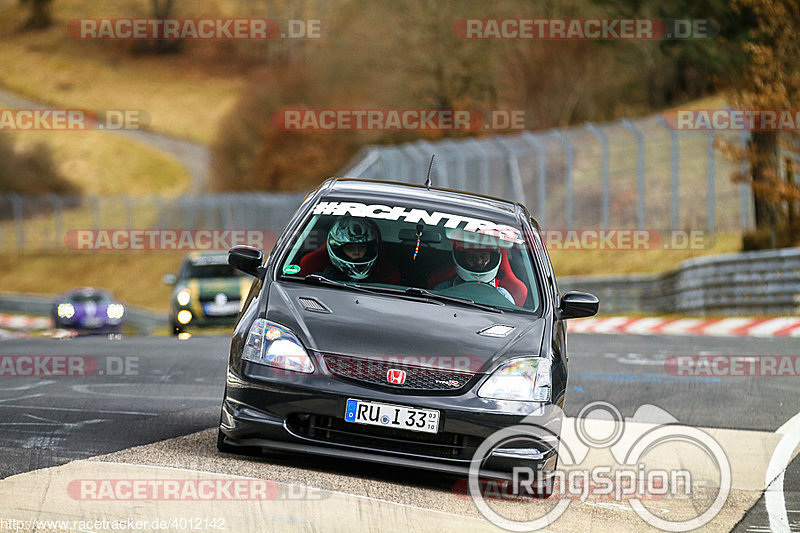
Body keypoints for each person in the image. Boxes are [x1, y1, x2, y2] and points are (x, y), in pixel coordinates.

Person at [435, 236, 515, 304]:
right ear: (463, 259)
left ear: (492, 259)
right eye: (472, 257)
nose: (479, 262)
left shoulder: (503, 296)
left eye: (483, 257)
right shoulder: (445, 289)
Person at [322, 216, 381, 281]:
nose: (357, 252)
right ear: (339, 251)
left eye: (361, 247)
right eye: (350, 248)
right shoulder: (323, 281)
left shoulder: (379, 280)